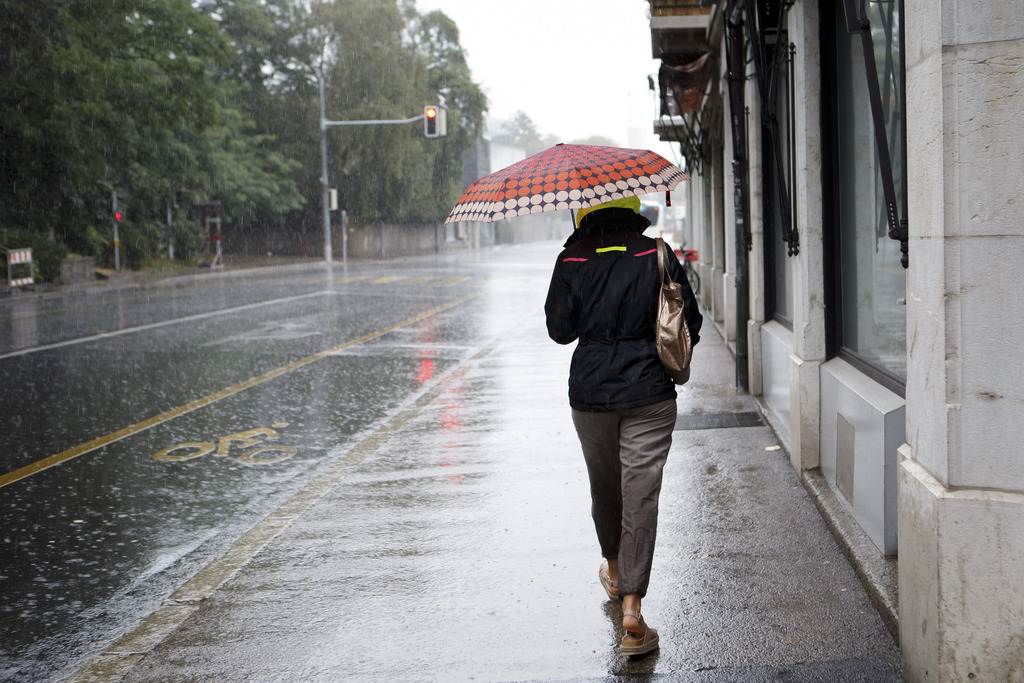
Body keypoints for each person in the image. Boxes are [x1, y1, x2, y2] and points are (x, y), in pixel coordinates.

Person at [544, 195, 702, 656]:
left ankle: (614, 570)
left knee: (606, 488)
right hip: (649, 394)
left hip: (591, 396)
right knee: (641, 496)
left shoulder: (571, 257)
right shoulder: (657, 253)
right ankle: (632, 614)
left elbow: (559, 329)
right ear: (634, 208)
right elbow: (689, 320)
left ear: (585, 214)